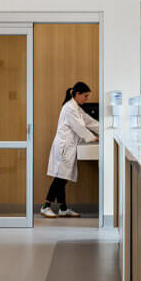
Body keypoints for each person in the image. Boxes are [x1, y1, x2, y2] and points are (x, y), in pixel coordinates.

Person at [41, 81, 100, 218]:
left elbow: (90, 121)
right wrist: (92, 138)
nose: (86, 99)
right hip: (64, 147)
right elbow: (78, 127)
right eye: (85, 96)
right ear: (77, 94)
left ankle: (63, 208)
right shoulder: (69, 108)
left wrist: (104, 130)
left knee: (63, 177)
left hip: (69, 147)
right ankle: (45, 206)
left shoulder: (77, 108)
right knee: (60, 178)